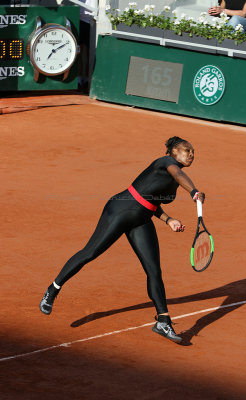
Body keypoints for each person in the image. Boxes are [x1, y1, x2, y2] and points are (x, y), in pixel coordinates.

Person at [40, 137, 205, 343]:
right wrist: (193, 191)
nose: (191, 154)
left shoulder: (175, 181)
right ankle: (53, 289)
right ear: (172, 151)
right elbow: (178, 173)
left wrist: (168, 220)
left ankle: (163, 321)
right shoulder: (164, 163)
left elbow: (151, 201)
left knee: (154, 270)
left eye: (193, 152)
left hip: (141, 220)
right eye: (187, 150)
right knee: (90, 253)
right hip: (121, 210)